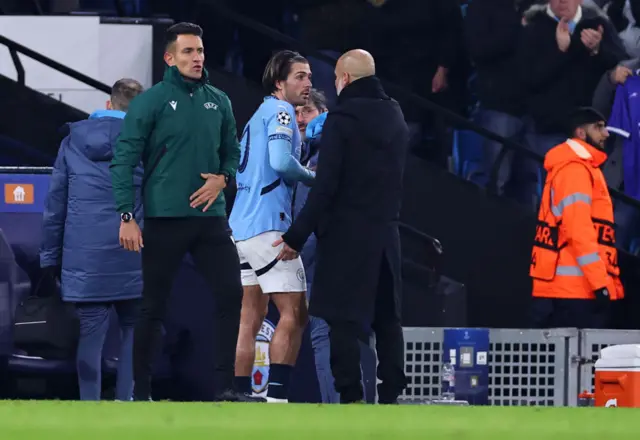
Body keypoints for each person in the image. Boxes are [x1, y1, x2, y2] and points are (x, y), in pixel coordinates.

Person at [110, 22, 255, 402]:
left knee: (230, 295)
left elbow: (233, 152)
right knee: (153, 307)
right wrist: (126, 215)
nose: (197, 58)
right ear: (169, 58)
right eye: (188, 52)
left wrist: (223, 178)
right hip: (164, 219)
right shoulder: (151, 101)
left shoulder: (219, 100)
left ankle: (225, 387)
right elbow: (123, 158)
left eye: (201, 51)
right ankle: (141, 391)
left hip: (210, 220)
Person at [274, 49, 409, 404]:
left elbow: (325, 187)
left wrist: (296, 235)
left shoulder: (342, 120)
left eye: (336, 79)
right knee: (386, 319)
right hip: (386, 234)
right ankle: (391, 393)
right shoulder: (396, 115)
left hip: (347, 236)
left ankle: (349, 396)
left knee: (340, 319)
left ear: (345, 79)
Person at [39, 78, 144, 401]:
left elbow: (55, 205)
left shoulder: (73, 141)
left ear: (109, 105)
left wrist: (49, 258)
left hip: (85, 257)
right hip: (135, 253)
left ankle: (89, 409)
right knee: (132, 335)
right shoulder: (149, 141)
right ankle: (126, 406)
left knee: (90, 336)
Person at [229, 50, 315, 403]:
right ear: (279, 83)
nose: (308, 83)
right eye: (299, 76)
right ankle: (277, 399)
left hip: (240, 226)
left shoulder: (256, 115)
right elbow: (280, 162)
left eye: (309, 76)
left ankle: (236, 394)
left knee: (251, 315)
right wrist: (312, 177)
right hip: (268, 227)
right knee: (295, 313)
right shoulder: (281, 112)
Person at [529, 107, 624, 329]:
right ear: (581, 133)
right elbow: (578, 230)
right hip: (575, 290)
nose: (606, 134)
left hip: (574, 287)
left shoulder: (582, 168)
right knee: (575, 361)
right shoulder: (575, 170)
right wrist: (600, 283)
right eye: (598, 128)